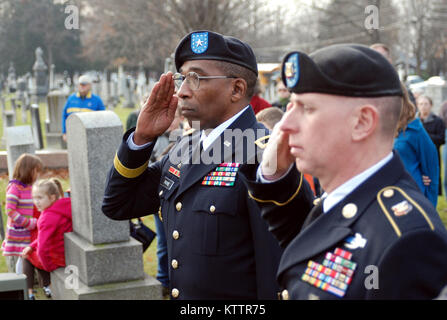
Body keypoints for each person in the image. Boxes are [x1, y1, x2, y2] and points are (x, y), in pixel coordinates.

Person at [243, 44, 447, 299]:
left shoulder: (409, 242)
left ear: (362, 122)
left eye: (307, 109)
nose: (285, 124)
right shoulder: (342, 199)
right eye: (291, 106)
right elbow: (308, 242)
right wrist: (274, 176)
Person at [102, 30, 282, 300]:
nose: (182, 92)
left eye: (196, 78)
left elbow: (274, 276)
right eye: (182, 78)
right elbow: (118, 204)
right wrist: (142, 139)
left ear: (236, 89)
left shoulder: (263, 157)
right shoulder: (185, 146)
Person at [22, 178, 72, 299]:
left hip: (57, 258)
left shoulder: (47, 217)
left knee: (27, 257)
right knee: (29, 250)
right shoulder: (65, 205)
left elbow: (42, 248)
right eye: (34, 198)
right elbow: (41, 239)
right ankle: (46, 286)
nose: (36, 202)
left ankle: (41, 288)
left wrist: (48, 267)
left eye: (40, 198)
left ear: (52, 197)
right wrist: (31, 246)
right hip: (67, 251)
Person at [394, 85, 439, 207]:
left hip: (410, 198)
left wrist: (429, 209)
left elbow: (431, 171)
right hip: (382, 196)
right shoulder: (378, 128)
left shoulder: (415, 129)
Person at [1, 154, 43, 273]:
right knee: (23, 256)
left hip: (28, 230)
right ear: (27, 170)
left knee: (27, 256)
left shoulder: (29, 187)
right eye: (36, 171)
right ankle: (22, 282)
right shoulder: (15, 187)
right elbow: (10, 210)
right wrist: (28, 223)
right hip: (19, 230)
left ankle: (26, 282)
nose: (37, 175)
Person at [61, 74, 106, 141]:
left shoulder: (96, 100)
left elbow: (103, 118)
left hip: (90, 135)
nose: (82, 87)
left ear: (90, 86)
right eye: (80, 85)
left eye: (84, 85)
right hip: (73, 134)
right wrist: (64, 132)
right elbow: (65, 115)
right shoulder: (71, 99)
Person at [417, 95, 445, 196]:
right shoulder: (414, 122)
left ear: (431, 105)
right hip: (417, 157)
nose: (423, 106)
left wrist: (426, 136)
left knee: (431, 181)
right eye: (421, 104)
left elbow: (441, 139)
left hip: (432, 155)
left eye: (426, 104)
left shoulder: (437, 121)